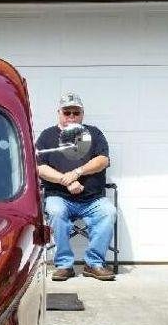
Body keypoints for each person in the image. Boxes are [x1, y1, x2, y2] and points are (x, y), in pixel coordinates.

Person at [36, 92, 116, 282]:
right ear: (59, 113)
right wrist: (67, 180)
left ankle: (94, 263)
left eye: (76, 112)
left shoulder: (94, 133)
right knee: (55, 211)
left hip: (93, 199)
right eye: (67, 112)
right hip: (59, 196)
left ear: (82, 114)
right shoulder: (47, 136)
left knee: (108, 211)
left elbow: (102, 160)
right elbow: (40, 167)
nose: (71, 116)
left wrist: (78, 172)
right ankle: (64, 265)